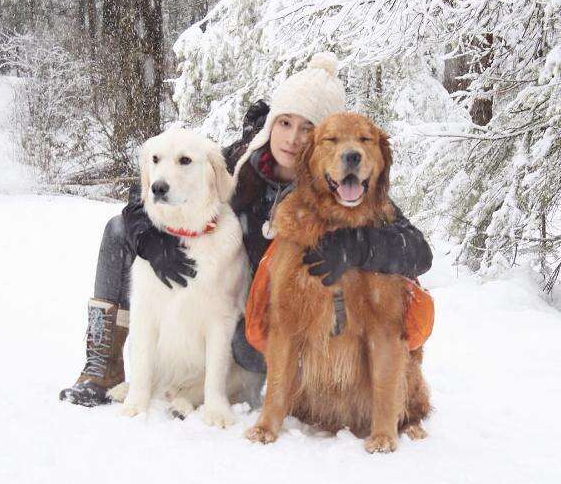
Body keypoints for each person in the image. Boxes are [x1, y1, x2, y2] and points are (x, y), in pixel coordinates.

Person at [59, 52, 432, 407]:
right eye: (284, 123)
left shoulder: (342, 187)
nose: (291, 138)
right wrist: (147, 235)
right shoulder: (243, 160)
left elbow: (418, 250)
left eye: (308, 128)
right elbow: (162, 181)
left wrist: (356, 246)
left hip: (290, 311)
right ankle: (101, 366)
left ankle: (316, 385)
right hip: (240, 293)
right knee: (117, 229)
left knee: (246, 350)